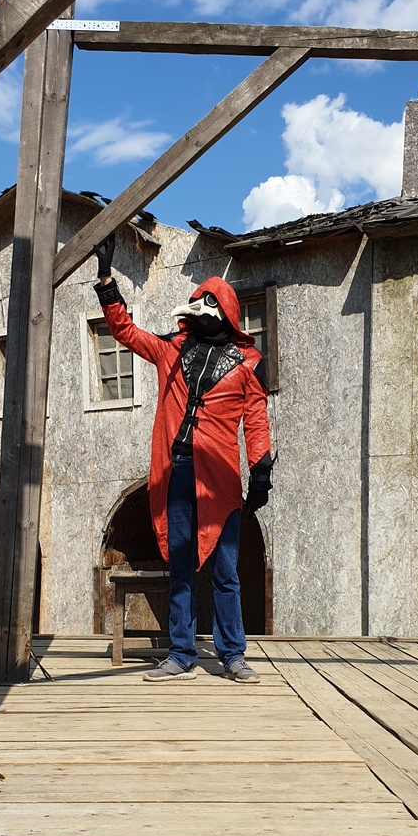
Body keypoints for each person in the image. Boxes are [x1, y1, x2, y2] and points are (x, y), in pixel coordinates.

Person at [93, 235, 273, 683]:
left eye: (208, 301)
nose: (198, 307)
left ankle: (233, 655)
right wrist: (106, 279)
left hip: (220, 481)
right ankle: (181, 654)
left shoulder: (246, 365)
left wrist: (261, 472)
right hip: (177, 473)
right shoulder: (171, 349)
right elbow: (126, 332)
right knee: (180, 565)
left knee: (226, 570)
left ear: (225, 311)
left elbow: (256, 421)